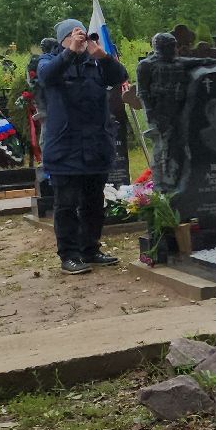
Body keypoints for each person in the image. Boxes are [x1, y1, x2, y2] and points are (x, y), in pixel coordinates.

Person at [37, 19, 128, 275]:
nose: (81, 40)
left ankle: (90, 249)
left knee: (93, 203)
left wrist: (103, 56)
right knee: (66, 204)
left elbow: (120, 77)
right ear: (64, 39)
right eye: (75, 36)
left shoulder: (96, 65)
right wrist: (70, 53)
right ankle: (69, 255)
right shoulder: (49, 61)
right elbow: (46, 77)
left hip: (96, 145)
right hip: (65, 147)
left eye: (83, 36)